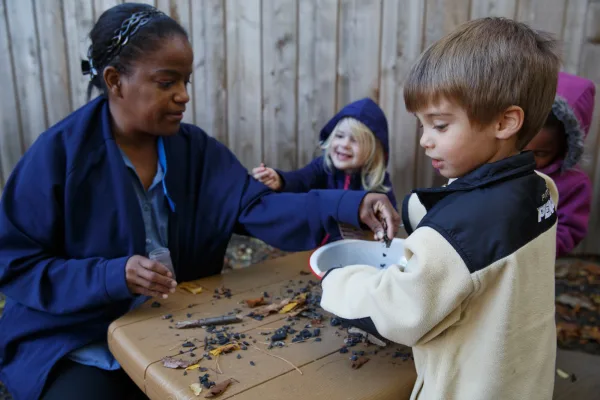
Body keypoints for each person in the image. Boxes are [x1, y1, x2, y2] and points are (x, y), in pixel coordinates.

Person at [0, 4, 399, 400]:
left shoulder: (195, 151)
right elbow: (17, 263)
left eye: (186, 81)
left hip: (174, 329)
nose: (183, 96)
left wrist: (351, 205)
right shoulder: (59, 157)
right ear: (115, 80)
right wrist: (109, 276)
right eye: (166, 82)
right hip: (74, 339)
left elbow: (259, 206)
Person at [320, 17, 561, 399]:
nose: (425, 142)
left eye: (440, 126)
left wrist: (336, 281)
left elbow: (401, 310)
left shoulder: (458, 233)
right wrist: (417, 209)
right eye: (422, 126)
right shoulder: (540, 190)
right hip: (525, 381)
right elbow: (476, 230)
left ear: (504, 121)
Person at [252, 98, 397, 244]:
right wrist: (281, 180)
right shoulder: (322, 167)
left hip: (361, 249)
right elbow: (300, 179)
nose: (344, 144)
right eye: (339, 136)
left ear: (373, 150)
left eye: (355, 140)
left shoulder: (379, 183)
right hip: (318, 247)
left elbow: (389, 216)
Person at [525, 71, 595, 257]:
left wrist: (534, 249)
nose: (528, 159)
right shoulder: (498, 166)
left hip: (535, 263)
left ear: (565, 146)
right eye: (521, 148)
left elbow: (569, 230)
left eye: (541, 153)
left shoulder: (573, 185)